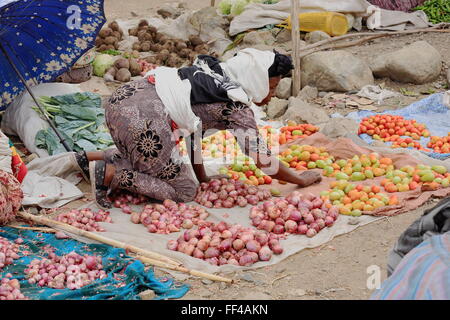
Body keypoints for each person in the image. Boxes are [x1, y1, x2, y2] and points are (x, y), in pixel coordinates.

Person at [72, 49, 322, 208]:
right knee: (184, 191)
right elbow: (261, 159)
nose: (272, 95)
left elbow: (193, 135)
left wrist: (204, 177)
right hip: (143, 121)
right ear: (256, 79)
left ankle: (91, 158)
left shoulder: (214, 75)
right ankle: (110, 174)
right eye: (273, 86)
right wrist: (299, 179)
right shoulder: (236, 106)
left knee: (155, 161)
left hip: (121, 100)